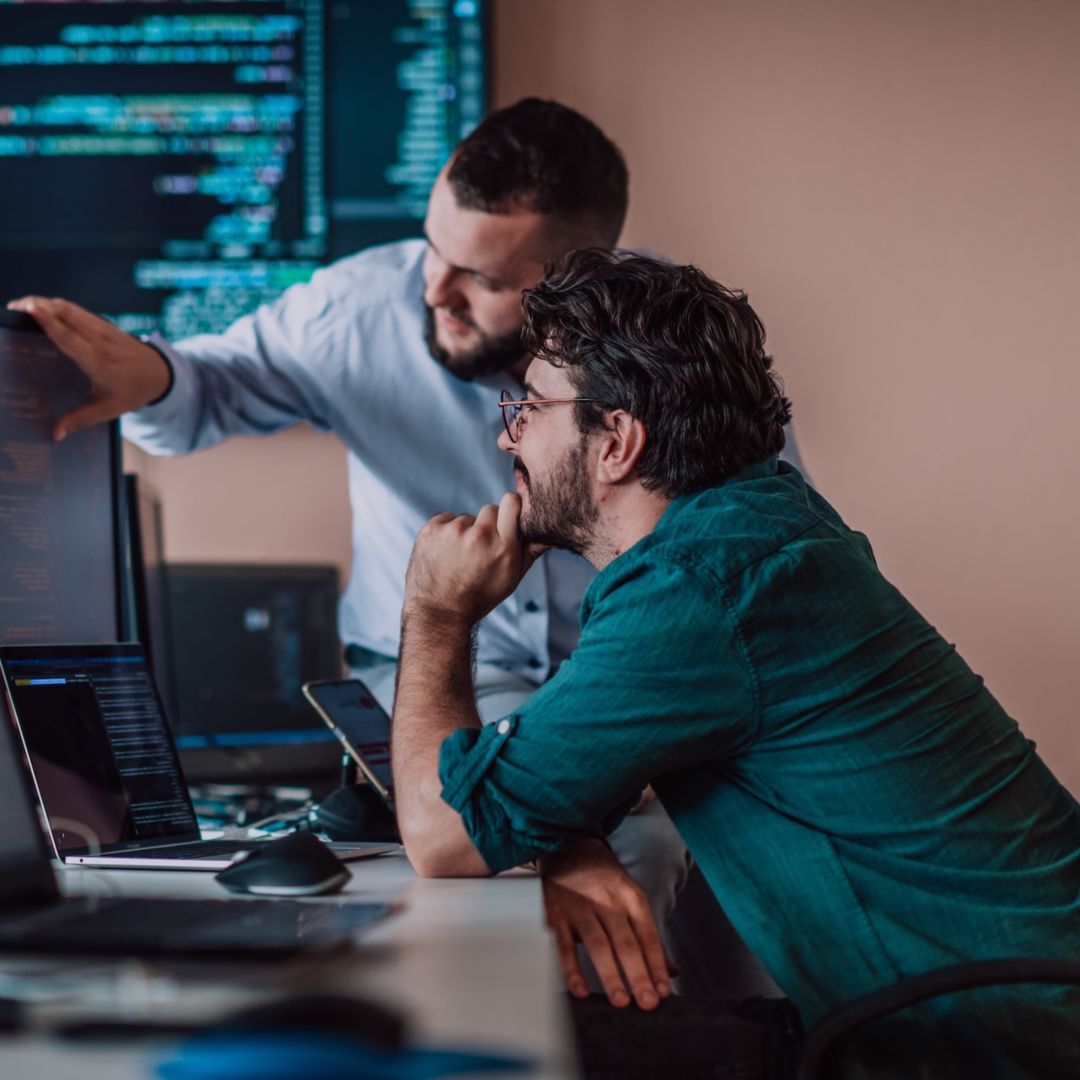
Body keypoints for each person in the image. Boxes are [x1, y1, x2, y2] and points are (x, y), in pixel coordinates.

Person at [9, 99, 802, 999]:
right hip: (445, 667)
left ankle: (746, 1041)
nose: (433, 289)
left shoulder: (670, 342)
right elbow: (211, 386)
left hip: (627, 669)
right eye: (432, 247)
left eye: (480, 277)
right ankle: (588, 1042)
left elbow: (756, 543)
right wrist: (150, 374)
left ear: (576, 282)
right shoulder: (357, 311)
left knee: (742, 865)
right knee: (632, 852)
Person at [391, 249, 1080, 1074]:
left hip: (974, 1050)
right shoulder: (760, 522)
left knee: (483, 1043)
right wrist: (566, 839)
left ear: (617, 442)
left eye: (530, 407)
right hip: (1001, 1015)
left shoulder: (696, 588)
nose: (507, 434)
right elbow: (592, 759)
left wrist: (437, 611)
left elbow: (441, 834)